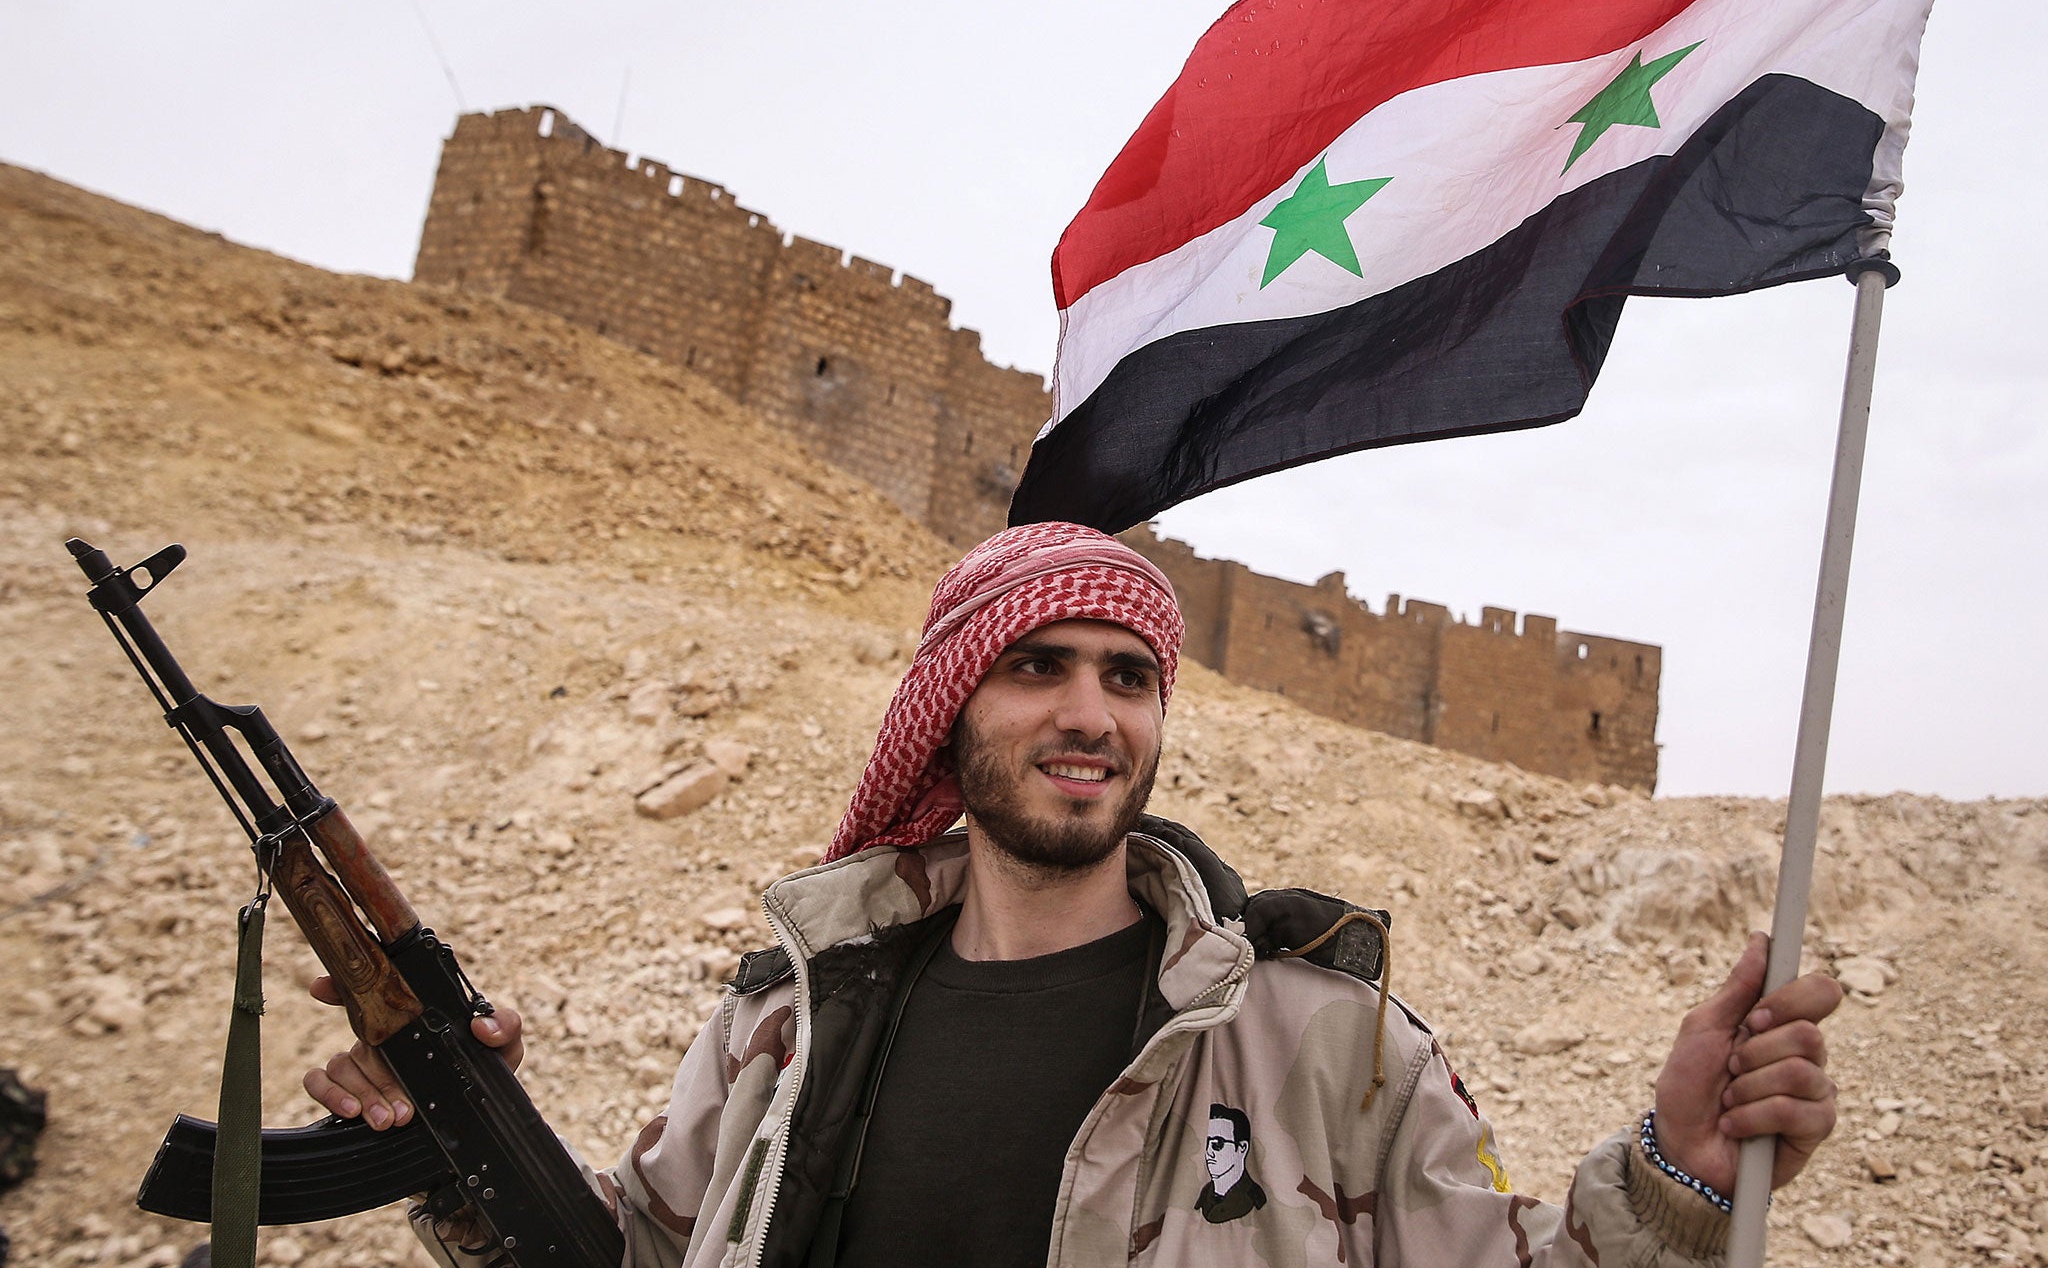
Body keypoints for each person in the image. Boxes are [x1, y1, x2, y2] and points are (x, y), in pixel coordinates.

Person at [307, 522, 1842, 1266]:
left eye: (1127, 678)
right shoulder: (791, 1027)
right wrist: (460, 1133)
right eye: (1038, 669)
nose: (1091, 715)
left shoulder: (1324, 1040)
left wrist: (1679, 1172)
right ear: (951, 716)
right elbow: (632, 1255)